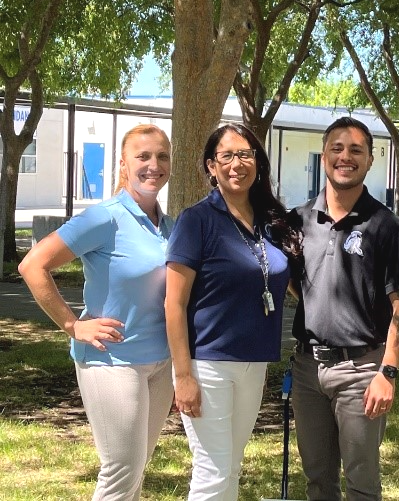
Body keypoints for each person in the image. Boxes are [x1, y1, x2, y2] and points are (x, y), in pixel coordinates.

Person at [18, 124, 174, 501]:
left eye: (162, 156)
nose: (154, 165)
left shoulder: (168, 225)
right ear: (123, 164)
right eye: (143, 156)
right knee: (121, 472)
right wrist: (73, 325)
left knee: (135, 470)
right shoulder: (103, 217)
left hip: (161, 363)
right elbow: (33, 265)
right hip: (112, 361)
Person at [165, 123, 300, 500]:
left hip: (256, 361)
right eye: (227, 156)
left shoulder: (272, 222)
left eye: (245, 154)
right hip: (207, 364)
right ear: (211, 166)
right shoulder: (197, 220)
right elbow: (173, 303)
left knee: (232, 466)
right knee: (212, 471)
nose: (237, 164)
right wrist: (183, 377)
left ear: (258, 161)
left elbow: (290, 281)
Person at [289, 117, 399, 501]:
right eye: (337, 148)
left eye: (356, 150)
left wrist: (387, 373)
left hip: (362, 371)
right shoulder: (298, 221)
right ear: (325, 154)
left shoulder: (388, 227)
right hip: (307, 369)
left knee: (361, 482)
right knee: (317, 480)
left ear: (370, 159)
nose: (345, 157)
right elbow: (296, 284)